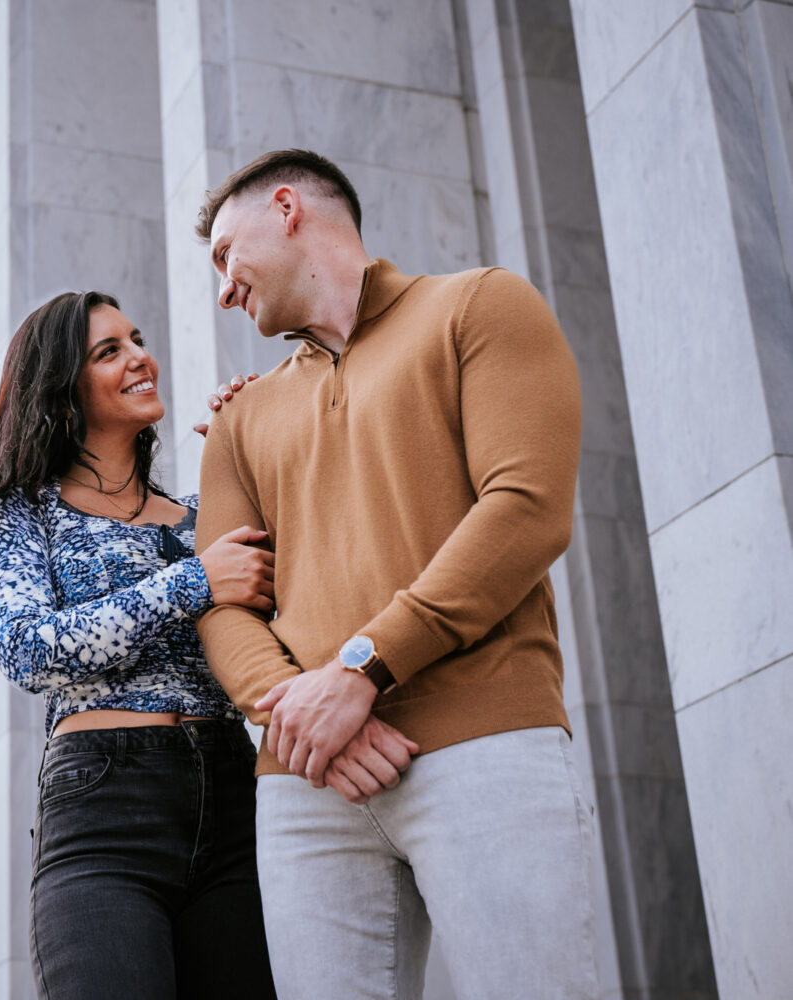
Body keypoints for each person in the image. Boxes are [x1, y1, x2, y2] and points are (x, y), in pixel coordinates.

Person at [193, 148, 598, 998]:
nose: (223, 287)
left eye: (228, 253)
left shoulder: (478, 307)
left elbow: (525, 507)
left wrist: (361, 668)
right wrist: (300, 713)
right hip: (311, 788)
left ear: (288, 207)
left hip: (483, 741)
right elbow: (221, 601)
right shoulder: (241, 420)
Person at [0, 290, 322, 999]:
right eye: (108, 351)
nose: (140, 356)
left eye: (135, 338)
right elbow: (30, 648)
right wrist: (194, 582)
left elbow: (306, 610)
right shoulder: (20, 514)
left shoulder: (207, 516)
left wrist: (251, 445)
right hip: (105, 810)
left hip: (237, 794)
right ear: (61, 385)